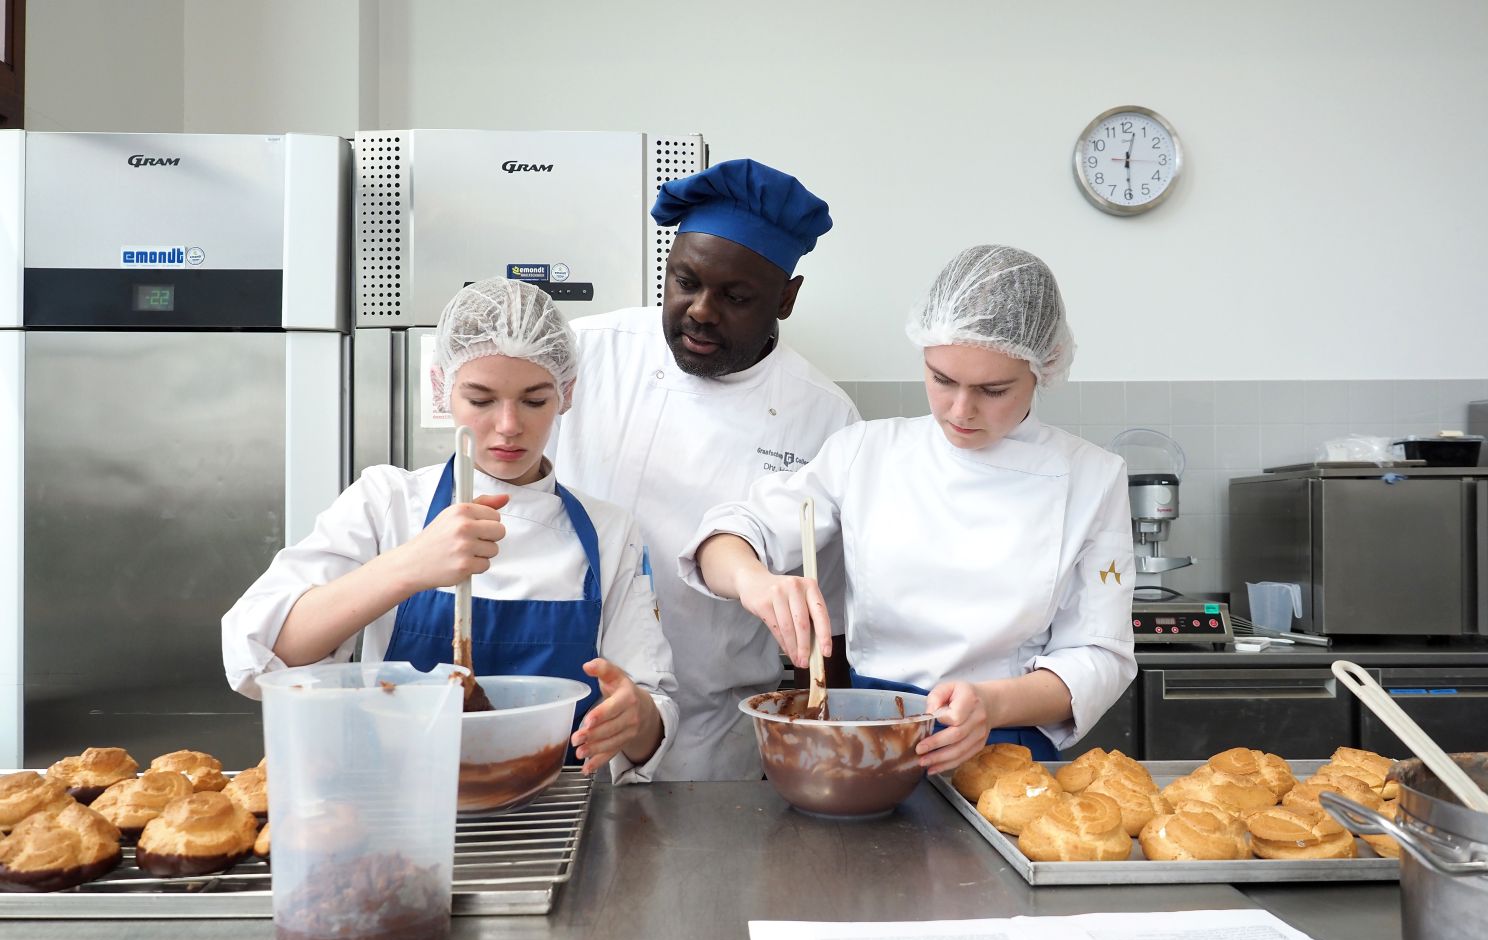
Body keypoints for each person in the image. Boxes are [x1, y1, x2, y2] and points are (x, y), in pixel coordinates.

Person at [680, 245, 1136, 772]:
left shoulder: (1092, 478)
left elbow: (1100, 654)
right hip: (873, 739)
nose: (961, 410)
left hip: (1003, 754)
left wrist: (992, 704)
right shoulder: (866, 452)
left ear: (1044, 368)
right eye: (941, 379)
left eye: (992, 390)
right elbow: (729, 535)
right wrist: (754, 580)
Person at [222, 278, 677, 781]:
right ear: (443, 389)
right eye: (481, 400)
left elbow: (651, 712)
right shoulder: (387, 503)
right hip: (398, 801)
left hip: (554, 807)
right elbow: (256, 658)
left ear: (565, 394)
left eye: (534, 400)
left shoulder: (609, 532)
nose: (508, 425)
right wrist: (406, 568)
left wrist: (635, 718)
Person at [550, 159, 860, 781]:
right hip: (557, 705)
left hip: (707, 736)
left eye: (735, 297)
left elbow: (825, 616)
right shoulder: (584, 353)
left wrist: (830, 743)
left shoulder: (824, 416)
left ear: (786, 298)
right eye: (684, 282)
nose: (700, 311)